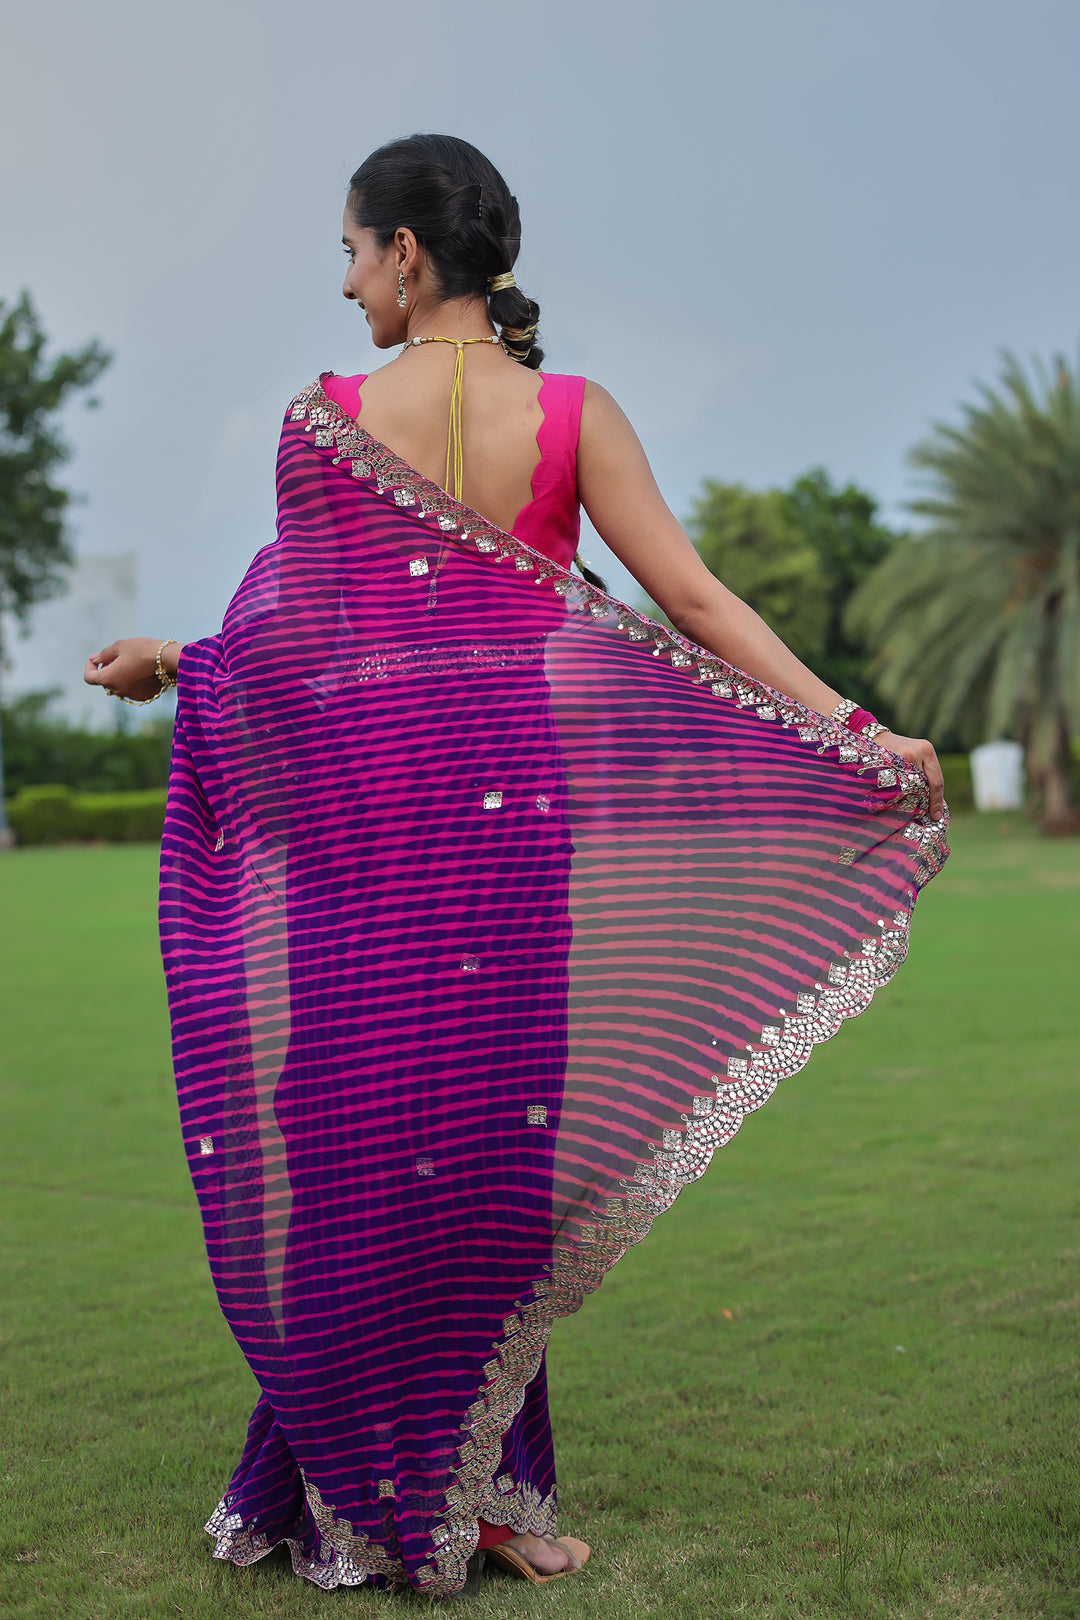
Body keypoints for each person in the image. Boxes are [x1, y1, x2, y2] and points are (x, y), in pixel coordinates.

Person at [85, 133, 948, 1599]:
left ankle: (360, 1498)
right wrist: (856, 728)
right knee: (495, 1160)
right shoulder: (573, 413)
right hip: (506, 835)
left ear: (407, 253)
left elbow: (295, 650)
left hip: (369, 847)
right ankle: (479, 1500)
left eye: (352, 253)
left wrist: (178, 660)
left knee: (354, 1147)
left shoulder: (325, 419)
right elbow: (694, 600)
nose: (348, 284)